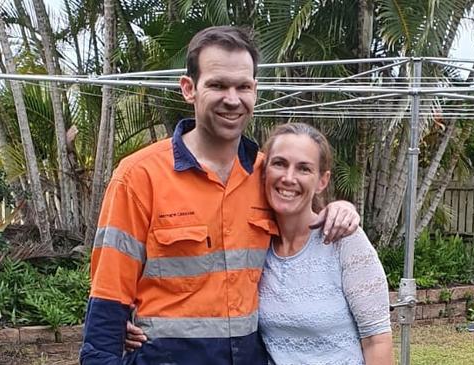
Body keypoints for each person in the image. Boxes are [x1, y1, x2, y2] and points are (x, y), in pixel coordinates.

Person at [80, 26, 359, 365]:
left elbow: (305, 226)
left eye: (243, 87)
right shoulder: (139, 177)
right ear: (189, 89)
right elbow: (108, 296)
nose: (232, 98)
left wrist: (340, 208)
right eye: (217, 85)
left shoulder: (266, 176)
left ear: (255, 91)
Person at [127, 123, 393, 364]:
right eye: (279, 164)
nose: (289, 177)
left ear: (322, 181)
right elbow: (205, 287)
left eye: (304, 168)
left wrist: (345, 208)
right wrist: (133, 318)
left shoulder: (343, 239)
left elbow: (376, 340)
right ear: (262, 173)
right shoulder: (255, 243)